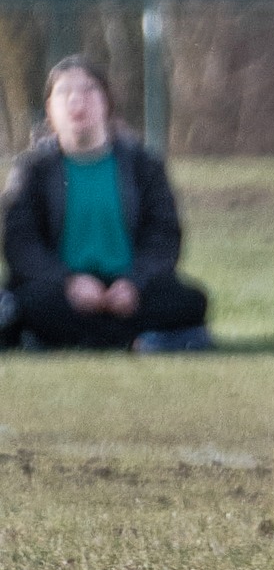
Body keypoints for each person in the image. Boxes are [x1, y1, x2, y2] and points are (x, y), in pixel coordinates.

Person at [2, 56, 212, 352]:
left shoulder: (143, 165)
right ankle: (144, 341)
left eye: (88, 90)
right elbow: (21, 245)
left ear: (107, 102)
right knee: (23, 306)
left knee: (192, 301)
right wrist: (70, 283)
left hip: (127, 290)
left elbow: (164, 237)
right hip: (60, 291)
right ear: (49, 108)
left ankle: (66, 341)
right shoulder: (32, 169)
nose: (77, 101)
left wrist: (132, 283)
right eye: (64, 92)